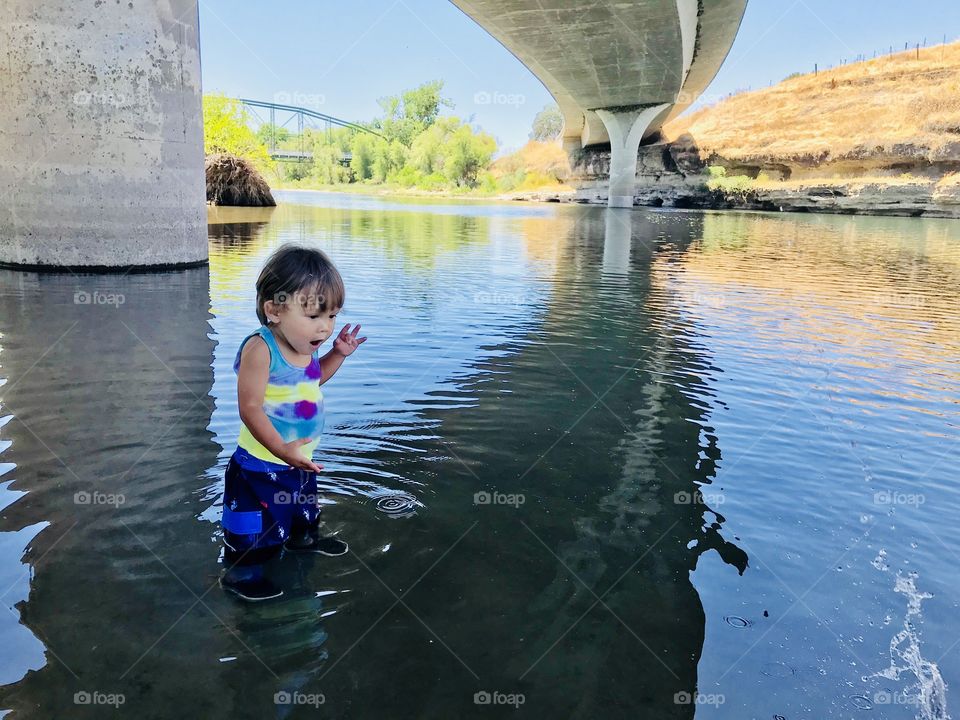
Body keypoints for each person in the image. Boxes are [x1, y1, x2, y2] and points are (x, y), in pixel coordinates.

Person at [220, 244, 367, 602]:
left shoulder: (307, 346)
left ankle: (303, 543)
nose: (326, 327)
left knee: (304, 516)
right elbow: (251, 408)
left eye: (332, 316)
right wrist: (282, 449)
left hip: (297, 462)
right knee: (252, 532)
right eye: (315, 316)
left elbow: (311, 381)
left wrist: (337, 355)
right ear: (274, 310)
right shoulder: (261, 349)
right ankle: (242, 574)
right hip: (260, 467)